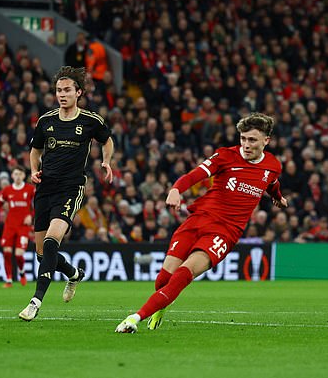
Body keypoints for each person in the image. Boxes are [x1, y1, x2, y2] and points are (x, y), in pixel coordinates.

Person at [115, 113, 288, 333]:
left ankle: (134, 318)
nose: (245, 144)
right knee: (162, 281)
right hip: (198, 220)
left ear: (266, 141)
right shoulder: (225, 156)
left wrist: (278, 197)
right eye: (243, 138)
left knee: (184, 274)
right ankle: (163, 303)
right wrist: (176, 189)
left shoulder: (273, 165)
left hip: (225, 232)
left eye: (252, 140)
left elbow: (272, 183)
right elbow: (194, 175)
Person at [19, 66, 114, 321]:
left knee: (51, 241)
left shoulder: (91, 121)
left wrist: (106, 161)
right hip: (45, 189)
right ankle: (73, 274)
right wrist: (33, 170)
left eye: (67, 90)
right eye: (59, 90)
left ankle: (35, 301)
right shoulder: (46, 121)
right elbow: (35, 150)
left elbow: (107, 140)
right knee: (42, 254)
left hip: (71, 188)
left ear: (78, 92)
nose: (62, 94)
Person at [0, 166, 35, 288]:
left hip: (23, 226)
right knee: (7, 252)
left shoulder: (30, 189)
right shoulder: (7, 190)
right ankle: (9, 280)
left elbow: (39, 204)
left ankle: (22, 273)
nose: (18, 176)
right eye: (15, 174)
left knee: (19, 254)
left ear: (24, 176)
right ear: (12, 176)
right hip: (10, 225)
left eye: (20, 174)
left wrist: (31, 215)